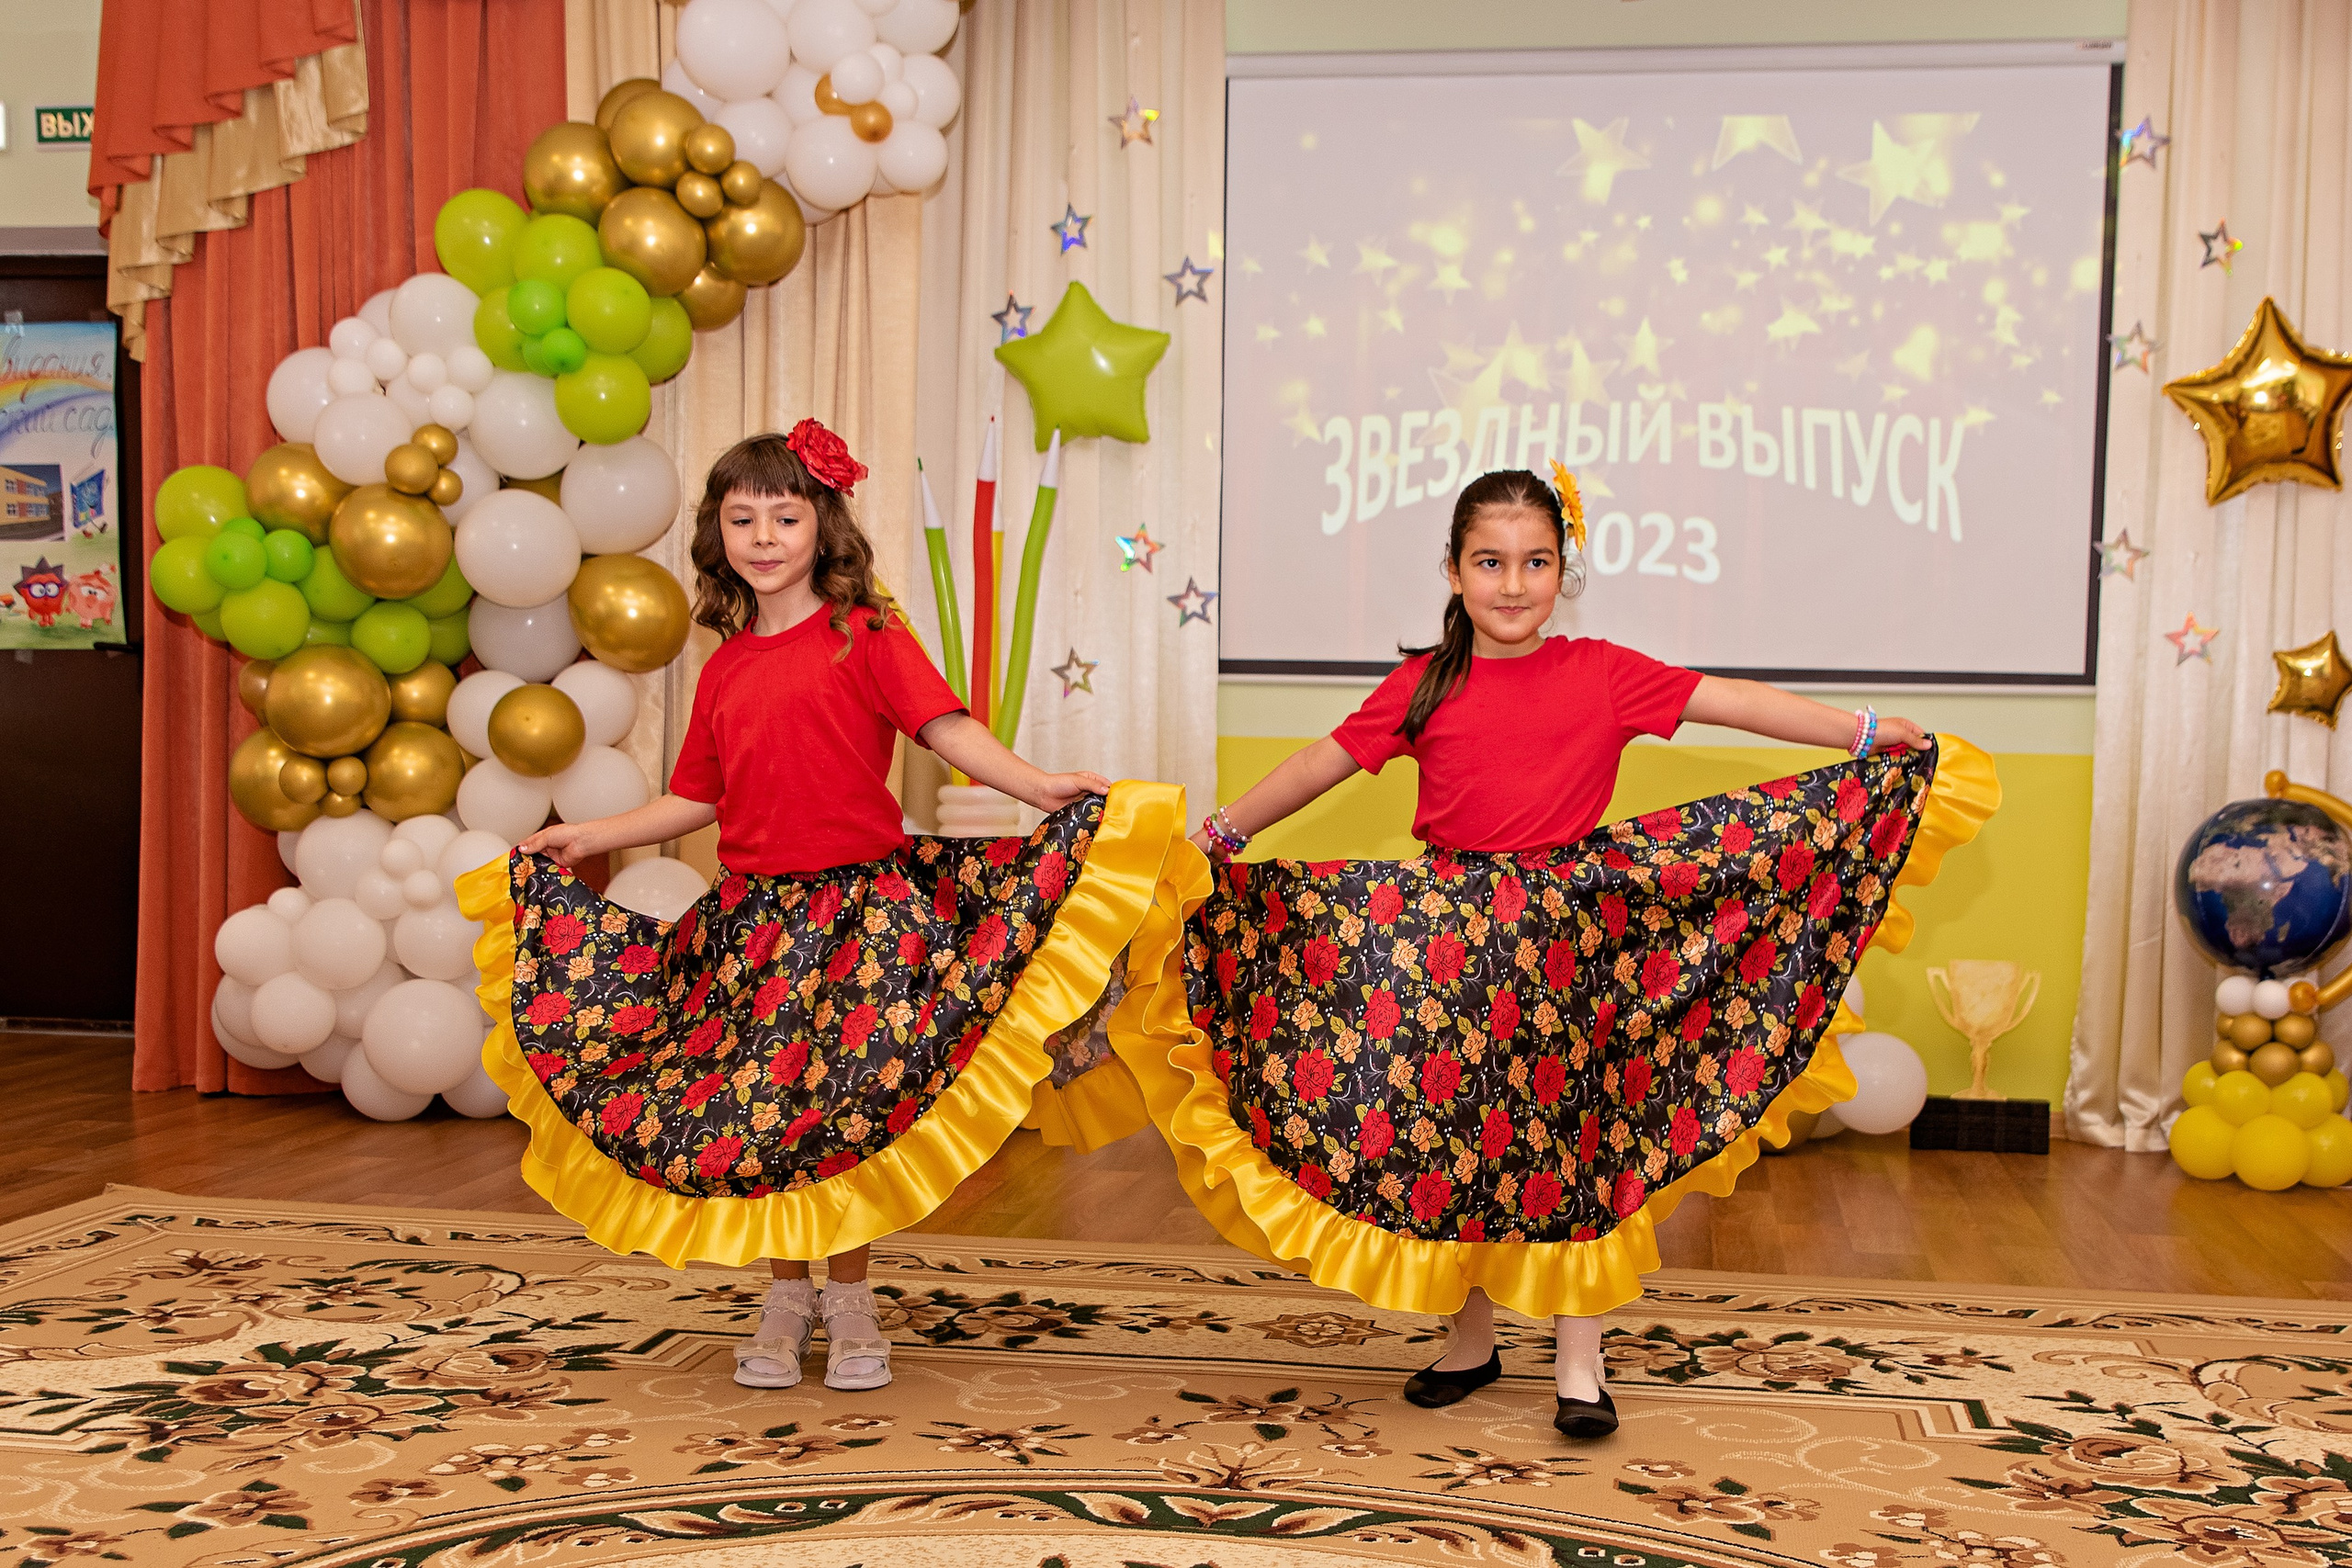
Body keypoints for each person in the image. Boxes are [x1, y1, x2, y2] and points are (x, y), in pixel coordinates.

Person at [1115, 467, 1994, 1439]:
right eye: (1490, 562)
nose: (1512, 583)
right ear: (1453, 572)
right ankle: (1470, 1340)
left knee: (1576, 1145)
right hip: (1445, 949)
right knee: (1449, 1141)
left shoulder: (1602, 671)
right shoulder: (1424, 683)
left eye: (1535, 562)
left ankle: (1580, 1363)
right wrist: (1219, 837)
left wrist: (1862, 732)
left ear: (1562, 570)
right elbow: (1322, 763)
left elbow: (1733, 703)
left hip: (1571, 944)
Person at [459, 421, 1180, 1394]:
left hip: (862, 922)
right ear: (718, 536)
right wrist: (593, 836)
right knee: (768, 1113)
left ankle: (848, 1301)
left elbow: (944, 725)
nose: (763, 535)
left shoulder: (865, 634)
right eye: (742, 517)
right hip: (752, 928)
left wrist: (1036, 783)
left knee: (842, 1116)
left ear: (821, 526)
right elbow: (697, 798)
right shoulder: (721, 668)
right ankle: (783, 1294)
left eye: (784, 515)